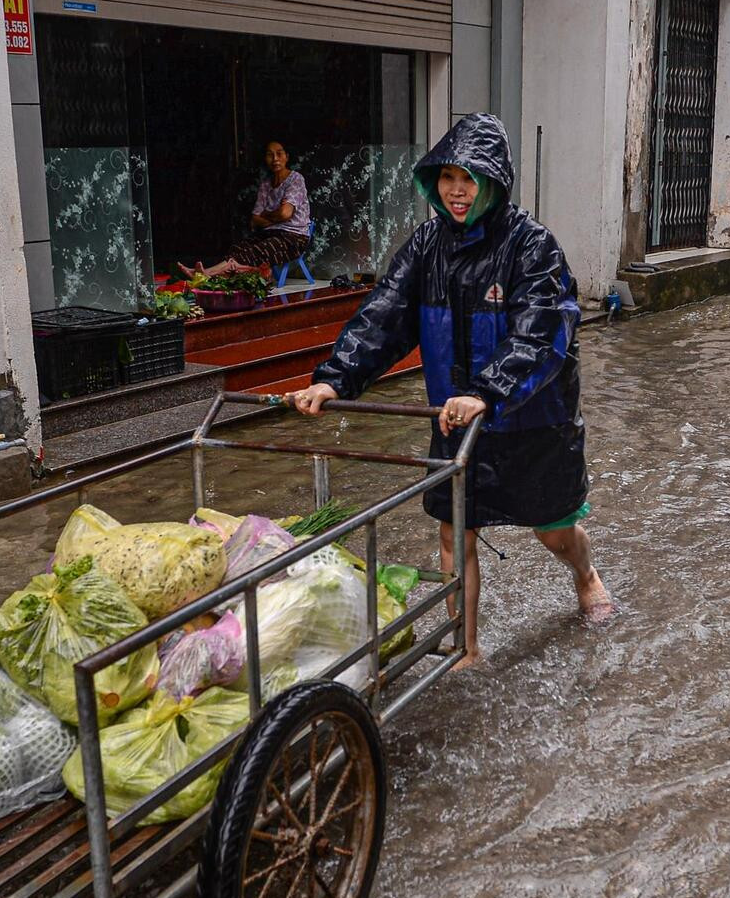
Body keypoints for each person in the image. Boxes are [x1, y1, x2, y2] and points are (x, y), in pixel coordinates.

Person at [288, 113, 612, 667]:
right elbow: (384, 315)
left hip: (531, 420)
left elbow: (541, 333)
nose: (457, 192)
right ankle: (467, 645)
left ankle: (586, 575)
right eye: (447, 179)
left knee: (554, 533)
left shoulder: (533, 248)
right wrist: (333, 377)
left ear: (494, 182)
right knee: (453, 534)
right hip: (455, 420)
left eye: (469, 179)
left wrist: (489, 390)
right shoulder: (425, 248)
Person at [180, 140, 311, 279]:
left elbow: (285, 214)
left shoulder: (296, 179)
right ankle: (207, 275)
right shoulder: (265, 185)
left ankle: (206, 274)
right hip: (271, 233)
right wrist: (274, 217)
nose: (275, 159)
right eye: (269, 155)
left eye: (279, 154)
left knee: (255, 251)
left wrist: (266, 215)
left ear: (287, 156)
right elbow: (255, 219)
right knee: (238, 249)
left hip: (293, 237)